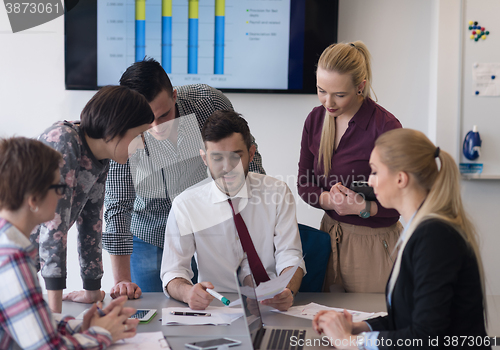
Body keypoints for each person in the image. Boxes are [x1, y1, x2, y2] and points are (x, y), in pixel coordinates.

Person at [312, 128, 490, 349]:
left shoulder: (435, 237)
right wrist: (359, 328)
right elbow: (407, 319)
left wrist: (351, 342)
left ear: (400, 179)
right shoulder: (419, 230)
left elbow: (425, 337)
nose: (370, 181)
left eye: (375, 172)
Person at [103, 58, 265, 297]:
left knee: (215, 305)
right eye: (146, 121)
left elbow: (247, 154)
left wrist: (258, 220)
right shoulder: (120, 130)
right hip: (149, 231)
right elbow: (117, 206)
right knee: (150, 311)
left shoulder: (208, 103)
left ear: (175, 95)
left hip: (209, 227)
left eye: (164, 115)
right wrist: (122, 282)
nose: (157, 127)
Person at [0, 137, 140, 350]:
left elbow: (35, 324)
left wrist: (81, 325)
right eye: (59, 187)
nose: (64, 196)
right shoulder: (12, 257)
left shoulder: (9, 244)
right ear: (33, 199)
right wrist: (102, 333)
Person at [160, 110, 305, 311]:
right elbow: (172, 271)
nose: (227, 167)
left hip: (270, 306)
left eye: (236, 157)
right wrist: (188, 293)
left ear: (251, 153)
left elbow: (290, 254)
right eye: (217, 158)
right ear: (204, 158)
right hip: (216, 308)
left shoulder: (278, 192)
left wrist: (286, 290)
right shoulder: (185, 205)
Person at [30, 86, 155, 313]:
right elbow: (53, 230)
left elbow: (92, 225)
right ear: (115, 127)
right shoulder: (64, 141)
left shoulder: (101, 158)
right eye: (138, 136)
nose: (142, 145)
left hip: (27, 262)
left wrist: (92, 291)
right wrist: (56, 316)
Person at [297, 41, 402, 293]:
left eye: (339, 95)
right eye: (321, 90)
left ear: (360, 87)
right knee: (324, 326)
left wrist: (363, 208)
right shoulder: (315, 119)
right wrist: (328, 200)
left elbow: (400, 202)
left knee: (371, 328)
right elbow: (303, 183)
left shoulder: (385, 127)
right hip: (328, 238)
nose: (328, 102)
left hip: (373, 246)